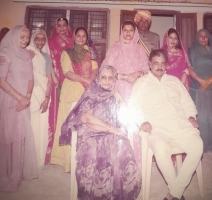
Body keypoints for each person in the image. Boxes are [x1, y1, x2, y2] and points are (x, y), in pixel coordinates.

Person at [129, 49, 203, 200]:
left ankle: (173, 193)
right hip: (157, 127)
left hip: (180, 124)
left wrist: (190, 116)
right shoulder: (141, 83)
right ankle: (177, 193)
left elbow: (187, 103)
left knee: (198, 145)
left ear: (166, 65)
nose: (159, 66)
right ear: (150, 64)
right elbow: (133, 107)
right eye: (156, 63)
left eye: (163, 63)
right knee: (161, 148)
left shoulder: (175, 81)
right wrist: (142, 122)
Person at [60, 65, 141, 200]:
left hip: (112, 134)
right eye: (104, 77)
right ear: (98, 78)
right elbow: (87, 119)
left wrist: (120, 98)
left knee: (122, 152)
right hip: (91, 133)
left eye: (111, 78)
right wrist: (112, 129)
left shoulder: (114, 95)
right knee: (96, 154)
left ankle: (116, 195)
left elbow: (125, 116)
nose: (107, 81)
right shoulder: (91, 93)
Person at [0, 25, 38, 192]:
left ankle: (15, 175)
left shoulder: (27, 54)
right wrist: (21, 98)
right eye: (22, 37)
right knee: (6, 139)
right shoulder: (5, 53)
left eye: (27, 37)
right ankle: (2, 176)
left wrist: (27, 96)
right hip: (7, 100)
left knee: (19, 138)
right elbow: (1, 81)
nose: (25, 40)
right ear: (13, 36)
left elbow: (31, 78)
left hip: (23, 100)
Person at [50, 27, 98, 172]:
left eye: (84, 36)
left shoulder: (91, 52)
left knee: (85, 126)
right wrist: (85, 79)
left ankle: (83, 161)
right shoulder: (67, 52)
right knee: (71, 125)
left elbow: (95, 69)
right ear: (74, 37)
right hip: (72, 90)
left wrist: (90, 80)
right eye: (79, 36)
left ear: (87, 38)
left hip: (86, 90)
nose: (81, 38)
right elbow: (67, 72)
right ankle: (69, 162)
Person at [46, 17, 74, 163]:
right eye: (59, 25)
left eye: (64, 25)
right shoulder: (50, 41)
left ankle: (66, 151)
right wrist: (55, 79)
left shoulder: (72, 41)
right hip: (57, 81)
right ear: (55, 27)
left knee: (68, 114)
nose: (62, 28)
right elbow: (48, 61)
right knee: (56, 113)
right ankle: (53, 149)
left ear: (68, 27)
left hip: (71, 82)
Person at [188, 29, 212, 153]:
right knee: (201, 117)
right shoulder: (191, 51)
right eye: (200, 36)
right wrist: (201, 81)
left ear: (209, 39)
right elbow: (189, 68)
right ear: (197, 38)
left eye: (205, 37)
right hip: (197, 87)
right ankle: (201, 145)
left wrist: (209, 82)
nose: (203, 38)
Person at [102, 20, 149, 102]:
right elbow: (106, 70)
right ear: (121, 31)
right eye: (125, 30)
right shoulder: (114, 48)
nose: (128, 32)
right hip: (117, 87)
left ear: (135, 32)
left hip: (136, 85)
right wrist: (125, 77)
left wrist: (136, 74)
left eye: (131, 30)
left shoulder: (140, 49)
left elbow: (146, 69)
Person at [26, 30, 52, 170]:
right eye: (37, 39)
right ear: (33, 40)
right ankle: (27, 161)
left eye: (43, 39)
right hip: (30, 94)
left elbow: (48, 79)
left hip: (43, 95)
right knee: (31, 126)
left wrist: (47, 98)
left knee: (41, 126)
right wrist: (27, 58)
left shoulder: (47, 57)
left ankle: (38, 160)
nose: (40, 42)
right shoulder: (27, 53)